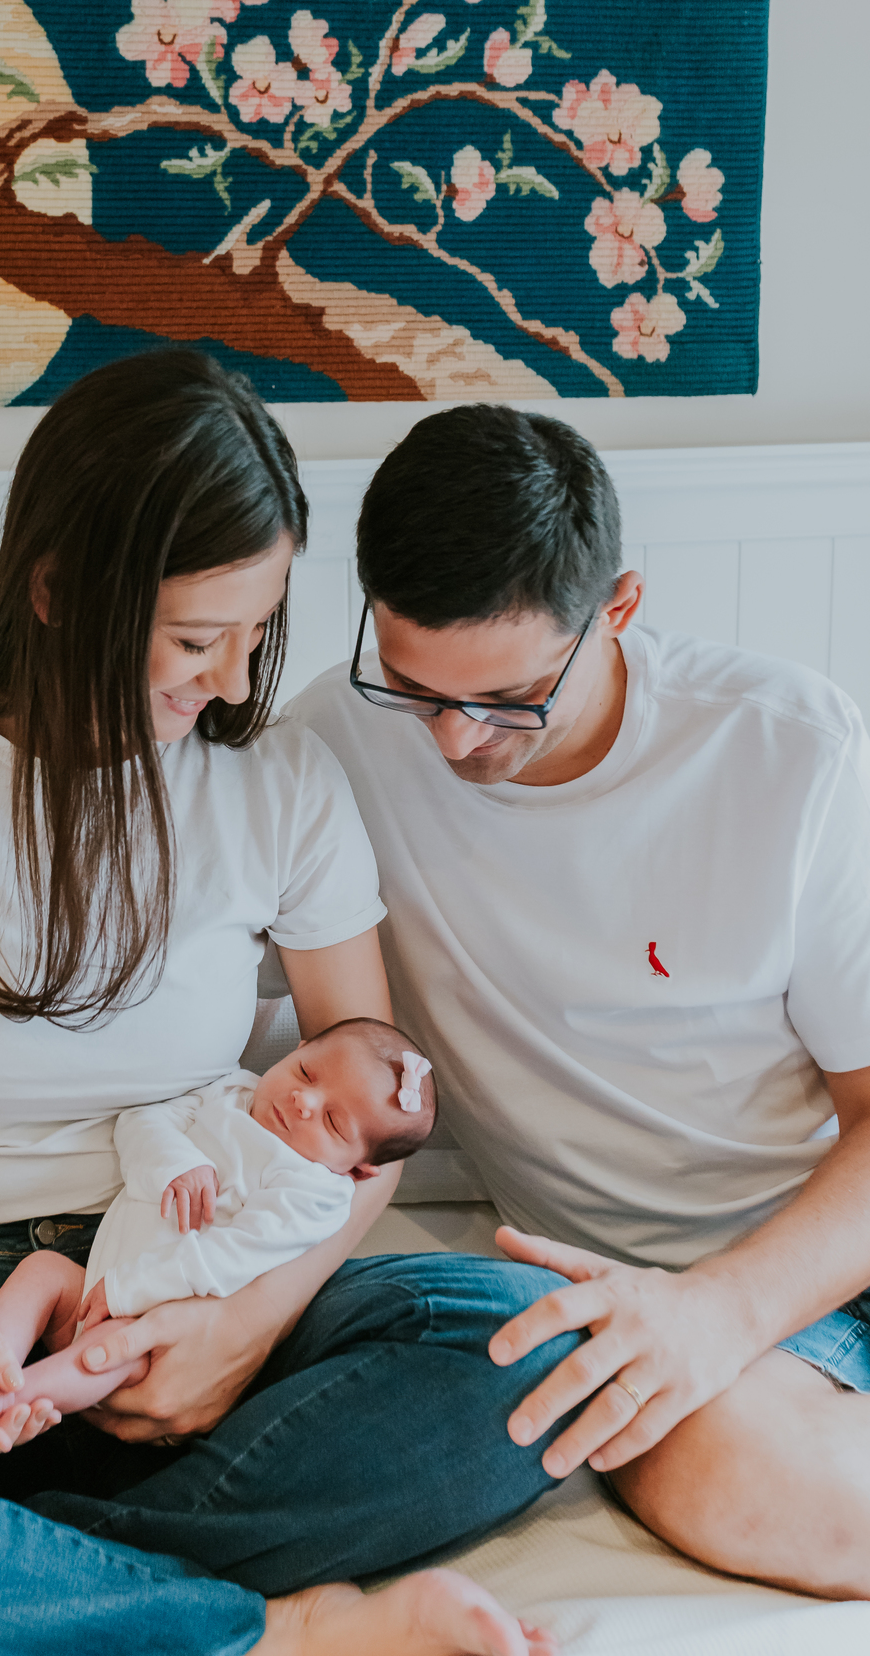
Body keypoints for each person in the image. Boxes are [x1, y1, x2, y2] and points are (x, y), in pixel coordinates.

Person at [0, 354, 577, 1656]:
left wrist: (238, 1326)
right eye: (198, 639)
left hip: (209, 1271)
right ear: (58, 590)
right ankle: (255, 1628)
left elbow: (365, 1119)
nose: (232, 677)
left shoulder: (284, 786)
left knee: (522, 1345)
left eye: (259, 629)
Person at [288, 402, 870, 1602]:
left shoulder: (787, 752)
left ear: (618, 607)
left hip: (815, 1239)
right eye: (413, 685)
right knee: (707, 1465)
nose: (452, 739)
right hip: (663, 1305)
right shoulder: (330, 752)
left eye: (508, 696)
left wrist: (719, 1311)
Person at [0, 1020, 438, 1428]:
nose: (304, 1102)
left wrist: (131, 1289)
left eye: (332, 1121)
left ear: (359, 1169)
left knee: (112, 1348)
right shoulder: (232, 1090)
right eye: (306, 1073)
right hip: (91, 1289)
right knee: (42, 1271)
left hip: (160, 1331)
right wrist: (174, 1160)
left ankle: (6, 1401)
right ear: (298, 1047)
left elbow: (227, 1257)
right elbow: (142, 1122)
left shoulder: (315, 1191)